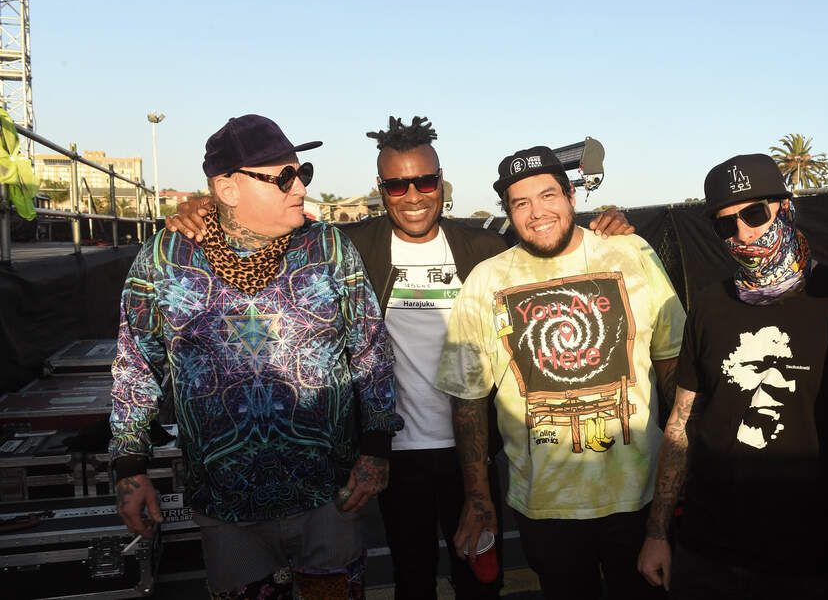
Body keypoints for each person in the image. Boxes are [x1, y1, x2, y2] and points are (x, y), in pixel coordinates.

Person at [165, 115, 634, 600]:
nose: (413, 196)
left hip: (472, 452)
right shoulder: (352, 246)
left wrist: (608, 226)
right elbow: (261, 228)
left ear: (441, 182)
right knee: (412, 578)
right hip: (395, 455)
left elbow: (550, 247)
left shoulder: (483, 247)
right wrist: (203, 207)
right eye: (396, 185)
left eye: (425, 181)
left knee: (481, 578)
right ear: (381, 188)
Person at [110, 114, 402, 598]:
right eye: (283, 177)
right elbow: (135, 366)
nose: (301, 187)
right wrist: (129, 466)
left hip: (329, 497)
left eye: (302, 173)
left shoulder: (328, 247)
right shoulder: (165, 258)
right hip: (226, 508)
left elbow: (370, 351)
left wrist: (376, 448)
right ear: (227, 189)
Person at [437, 146, 687, 600]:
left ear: (571, 195)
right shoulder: (486, 281)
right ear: (508, 212)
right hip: (545, 507)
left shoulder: (630, 253)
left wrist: (687, 476)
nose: (537, 212)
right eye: (521, 202)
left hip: (640, 500)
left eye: (548, 195)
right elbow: (468, 401)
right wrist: (478, 497)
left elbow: (674, 369)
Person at [635, 154, 828, 599]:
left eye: (754, 214)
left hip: (805, 556)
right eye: (726, 224)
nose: (743, 233)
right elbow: (682, 423)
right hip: (706, 549)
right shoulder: (710, 306)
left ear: (785, 208)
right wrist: (658, 532)